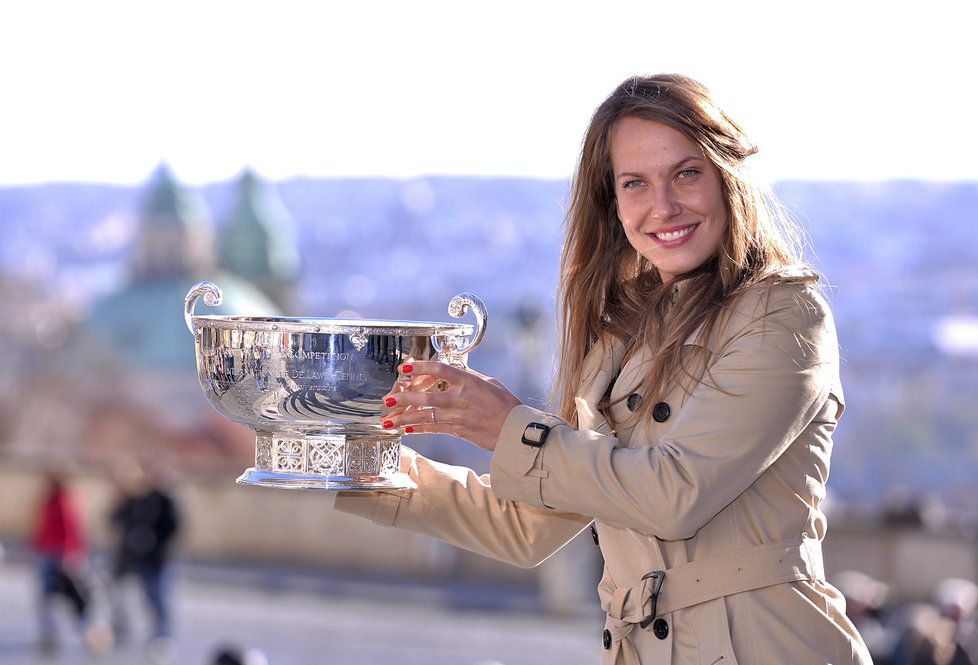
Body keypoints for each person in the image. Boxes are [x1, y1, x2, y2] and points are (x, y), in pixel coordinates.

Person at [335, 74, 872, 664]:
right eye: (635, 183)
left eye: (686, 173)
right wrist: (339, 454)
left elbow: (675, 495)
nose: (662, 206)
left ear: (728, 176)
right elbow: (524, 527)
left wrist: (508, 428)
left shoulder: (783, 312)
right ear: (612, 204)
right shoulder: (620, 336)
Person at [108, 458, 181, 657]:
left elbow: (172, 528)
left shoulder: (167, 501)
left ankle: (163, 636)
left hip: (158, 559)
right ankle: (147, 633)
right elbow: (121, 519)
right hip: (141, 557)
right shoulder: (143, 499)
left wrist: (153, 540)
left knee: (159, 599)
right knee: (146, 598)